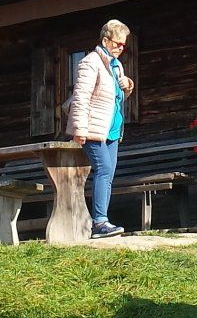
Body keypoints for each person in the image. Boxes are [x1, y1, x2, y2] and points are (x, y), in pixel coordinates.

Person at [68, 19, 136, 240]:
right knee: (103, 170)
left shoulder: (115, 65)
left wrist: (128, 87)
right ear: (105, 40)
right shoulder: (91, 63)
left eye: (123, 45)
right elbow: (81, 98)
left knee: (108, 175)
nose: (120, 48)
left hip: (112, 130)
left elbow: (113, 99)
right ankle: (99, 222)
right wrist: (79, 129)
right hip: (94, 129)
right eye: (117, 43)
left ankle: (102, 221)